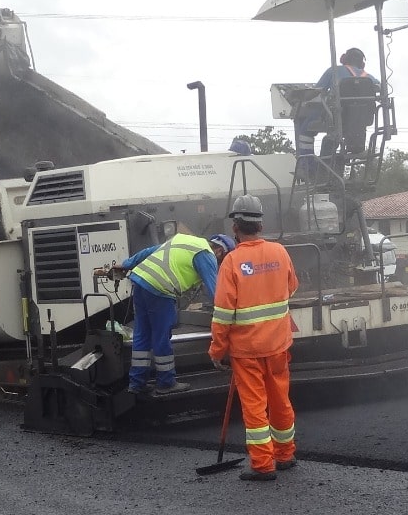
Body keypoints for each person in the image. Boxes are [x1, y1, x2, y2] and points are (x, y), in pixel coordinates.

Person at [209, 194, 300, 482]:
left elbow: (223, 313)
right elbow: (291, 288)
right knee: (280, 399)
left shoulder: (232, 261)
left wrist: (216, 350)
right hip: (278, 344)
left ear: (235, 227)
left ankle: (263, 464)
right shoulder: (280, 252)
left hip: (247, 350)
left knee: (254, 405)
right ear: (260, 225)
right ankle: (285, 454)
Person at [113, 231, 233, 396]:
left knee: (142, 334)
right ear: (220, 251)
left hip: (140, 282)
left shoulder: (185, 240)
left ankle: (137, 383)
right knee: (161, 336)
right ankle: (166, 382)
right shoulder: (206, 255)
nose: (220, 263)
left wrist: (127, 264)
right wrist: (230, 315)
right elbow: (215, 292)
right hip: (159, 289)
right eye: (223, 259)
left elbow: (149, 251)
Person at [297, 48, 380, 161]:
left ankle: (307, 166)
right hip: (361, 121)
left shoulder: (334, 71)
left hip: (336, 117)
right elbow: (380, 89)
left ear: (344, 59)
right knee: (334, 136)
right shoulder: (369, 78)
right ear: (362, 64)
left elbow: (316, 91)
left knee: (305, 129)